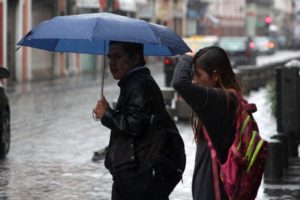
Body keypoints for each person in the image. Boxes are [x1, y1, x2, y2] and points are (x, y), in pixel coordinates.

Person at [93, 41, 184, 200]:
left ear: (135, 59)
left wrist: (107, 113)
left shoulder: (139, 84)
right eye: (109, 58)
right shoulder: (133, 82)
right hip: (136, 170)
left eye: (118, 56)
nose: (111, 63)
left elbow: (135, 124)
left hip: (140, 172)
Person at [172, 46, 242, 200]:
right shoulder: (226, 98)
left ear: (215, 76)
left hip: (213, 192)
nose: (195, 81)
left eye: (198, 75)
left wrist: (187, 58)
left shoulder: (219, 101)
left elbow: (179, 83)